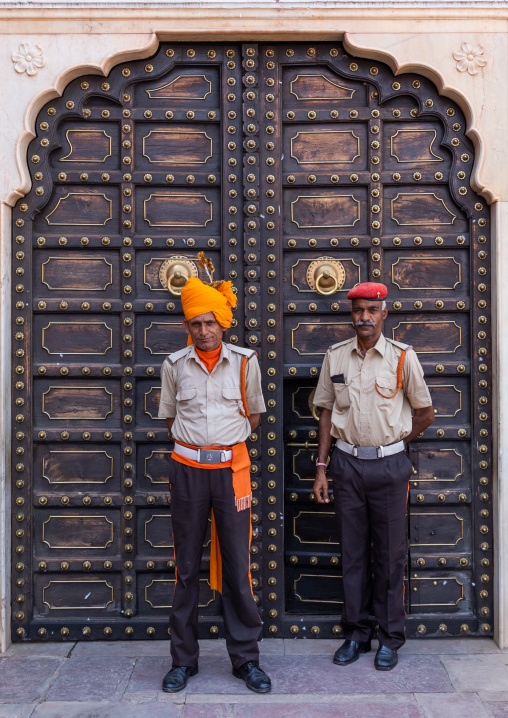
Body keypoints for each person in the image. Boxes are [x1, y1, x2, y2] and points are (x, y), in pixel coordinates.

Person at [158, 266, 271, 694]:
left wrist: (222, 445)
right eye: (196, 324)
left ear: (223, 322)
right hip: (187, 472)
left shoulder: (245, 363)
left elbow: (253, 416)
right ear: (187, 326)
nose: (205, 331)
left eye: (211, 322)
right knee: (185, 568)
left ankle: (246, 659)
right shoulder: (174, 366)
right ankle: (183, 661)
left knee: (238, 568)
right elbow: (171, 418)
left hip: (230, 472)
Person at [312, 282, 435, 671]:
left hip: (389, 467)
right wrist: (321, 466)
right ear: (352, 315)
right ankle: (356, 634)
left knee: (389, 555)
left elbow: (424, 413)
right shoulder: (335, 358)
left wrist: (396, 442)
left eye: (371, 310)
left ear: (384, 313)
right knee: (352, 553)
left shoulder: (402, 358)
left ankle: (389, 637)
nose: (364, 317)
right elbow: (327, 413)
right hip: (346, 465)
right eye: (358, 310)